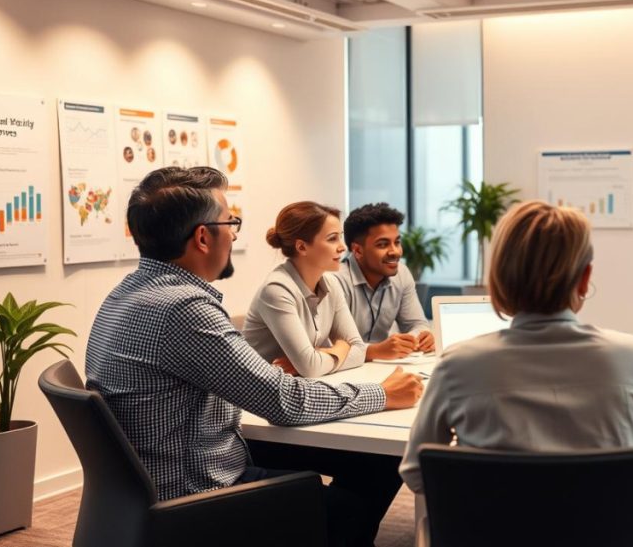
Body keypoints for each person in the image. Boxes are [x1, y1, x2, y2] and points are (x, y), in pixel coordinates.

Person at [85, 167, 424, 547]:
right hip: (196, 496)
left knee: (355, 459)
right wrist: (383, 394)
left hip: (158, 482)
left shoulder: (124, 294)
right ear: (202, 237)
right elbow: (284, 401)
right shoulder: (184, 309)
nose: (233, 233)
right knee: (379, 464)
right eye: (230, 222)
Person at [400, 200, 633, 492]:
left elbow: (417, 473)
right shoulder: (631, 357)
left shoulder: (458, 364)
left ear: (498, 277)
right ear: (584, 278)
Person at [244, 201, 367, 378]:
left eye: (340, 237)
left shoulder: (331, 283)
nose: (342, 247)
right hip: (259, 397)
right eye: (332, 238)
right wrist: (340, 348)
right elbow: (310, 368)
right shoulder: (276, 289)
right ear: (302, 247)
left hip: (299, 388)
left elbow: (359, 351)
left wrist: (317, 356)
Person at [334, 203, 434, 359]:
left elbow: (418, 324)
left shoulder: (401, 273)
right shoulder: (334, 281)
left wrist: (419, 338)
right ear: (358, 250)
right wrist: (376, 350)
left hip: (383, 365)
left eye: (397, 242)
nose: (395, 251)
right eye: (383, 244)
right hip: (342, 372)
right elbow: (329, 347)